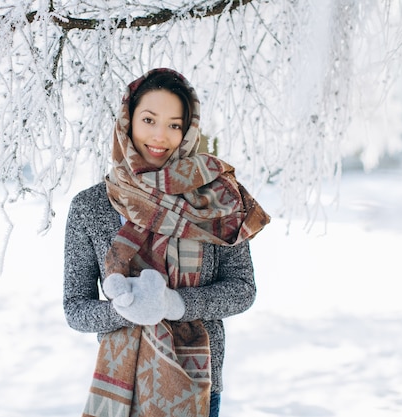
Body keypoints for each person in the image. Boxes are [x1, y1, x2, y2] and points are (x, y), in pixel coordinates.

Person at [63, 68, 270, 417]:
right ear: (127, 122)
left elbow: (242, 289)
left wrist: (174, 304)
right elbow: (75, 308)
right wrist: (123, 311)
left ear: (188, 131)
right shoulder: (90, 206)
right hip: (121, 387)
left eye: (175, 125)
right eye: (149, 120)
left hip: (196, 384)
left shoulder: (217, 200)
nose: (161, 136)